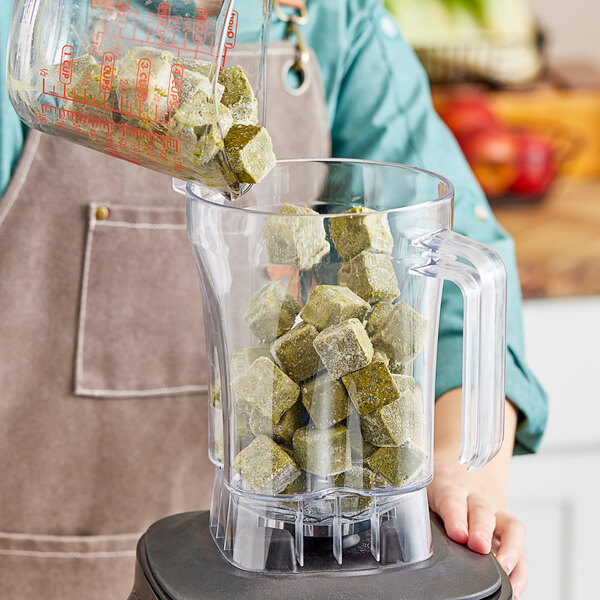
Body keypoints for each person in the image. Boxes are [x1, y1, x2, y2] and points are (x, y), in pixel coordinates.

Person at [0, 1, 547, 599]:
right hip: (42, 563)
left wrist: (460, 468)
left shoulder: (335, 22)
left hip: (286, 567)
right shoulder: (40, 32)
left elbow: (457, 256)